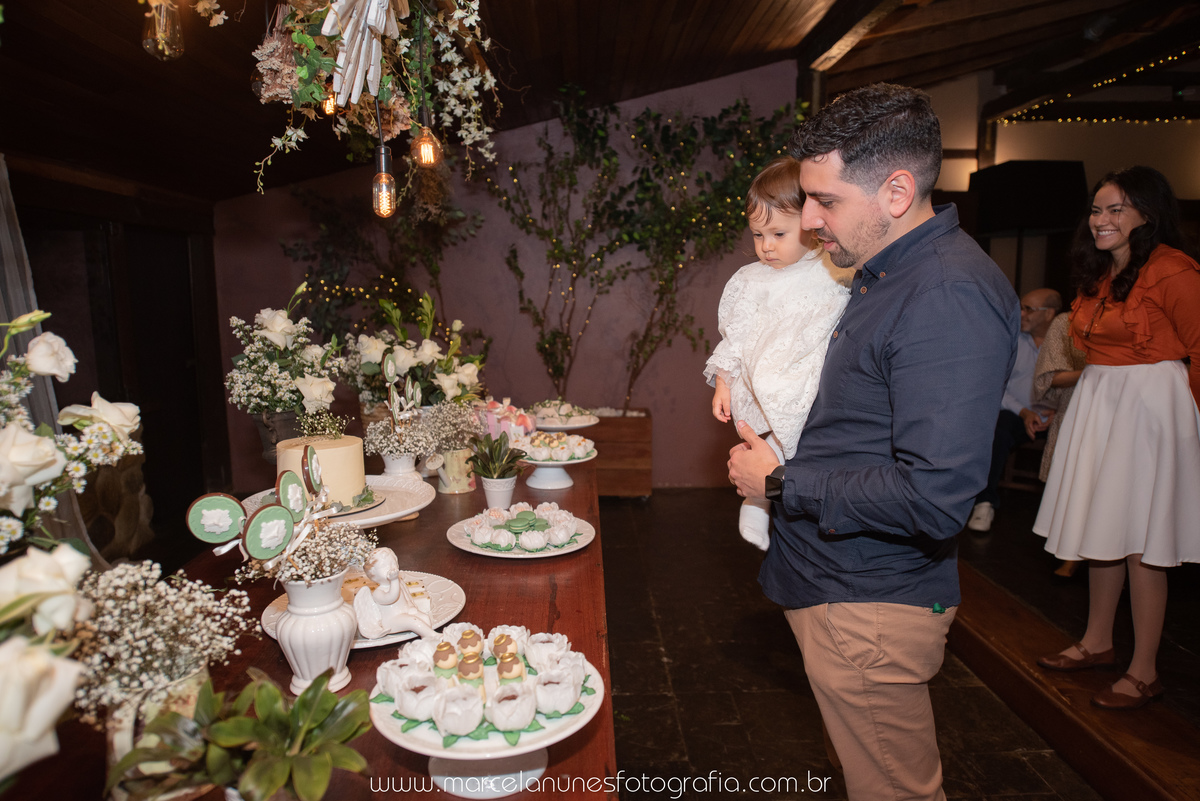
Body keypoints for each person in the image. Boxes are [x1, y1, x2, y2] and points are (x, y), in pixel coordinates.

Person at [727, 83, 1018, 801]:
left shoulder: (945, 293)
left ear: (895, 190)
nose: (813, 218)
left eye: (826, 200)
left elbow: (934, 496)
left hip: (867, 605)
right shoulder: (883, 272)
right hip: (839, 589)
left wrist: (780, 482)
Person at [1034, 166, 1200, 709]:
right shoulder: (1100, 270)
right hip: (1101, 398)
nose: (1101, 220)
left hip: (1152, 404)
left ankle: (1145, 669)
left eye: (1115, 210)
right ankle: (1097, 642)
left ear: (1146, 216)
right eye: (1096, 210)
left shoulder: (1173, 270)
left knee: (1143, 542)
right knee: (1101, 526)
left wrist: (1187, 425)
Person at [706, 157, 851, 549]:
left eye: (778, 234)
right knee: (764, 432)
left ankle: (764, 496)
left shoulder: (833, 267)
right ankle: (757, 499)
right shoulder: (751, 281)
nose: (766, 246)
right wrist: (723, 383)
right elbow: (733, 338)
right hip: (763, 372)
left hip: (808, 371)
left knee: (793, 433)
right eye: (757, 235)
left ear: (810, 223)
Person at [966, 288, 1062, 532]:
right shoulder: (1013, 341)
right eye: (1021, 307)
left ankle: (1062, 517)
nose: (1021, 314)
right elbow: (998, 388)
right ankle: (985, 502)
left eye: (1029, 309)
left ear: (1050, 313)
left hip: (1057, 417)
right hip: (1020, 415)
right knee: (997, 427)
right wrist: (1024, 413)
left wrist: (1060, 412)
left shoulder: (1066, 344)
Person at [1030, 311, 1088, 578]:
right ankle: (1070, 554)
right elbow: (1048, 377)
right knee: (1075, 483)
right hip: (1075, 408)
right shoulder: (1067, 322)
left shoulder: (1135, 315)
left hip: (1122, 408)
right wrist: (1096, 371)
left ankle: (1113, 563)